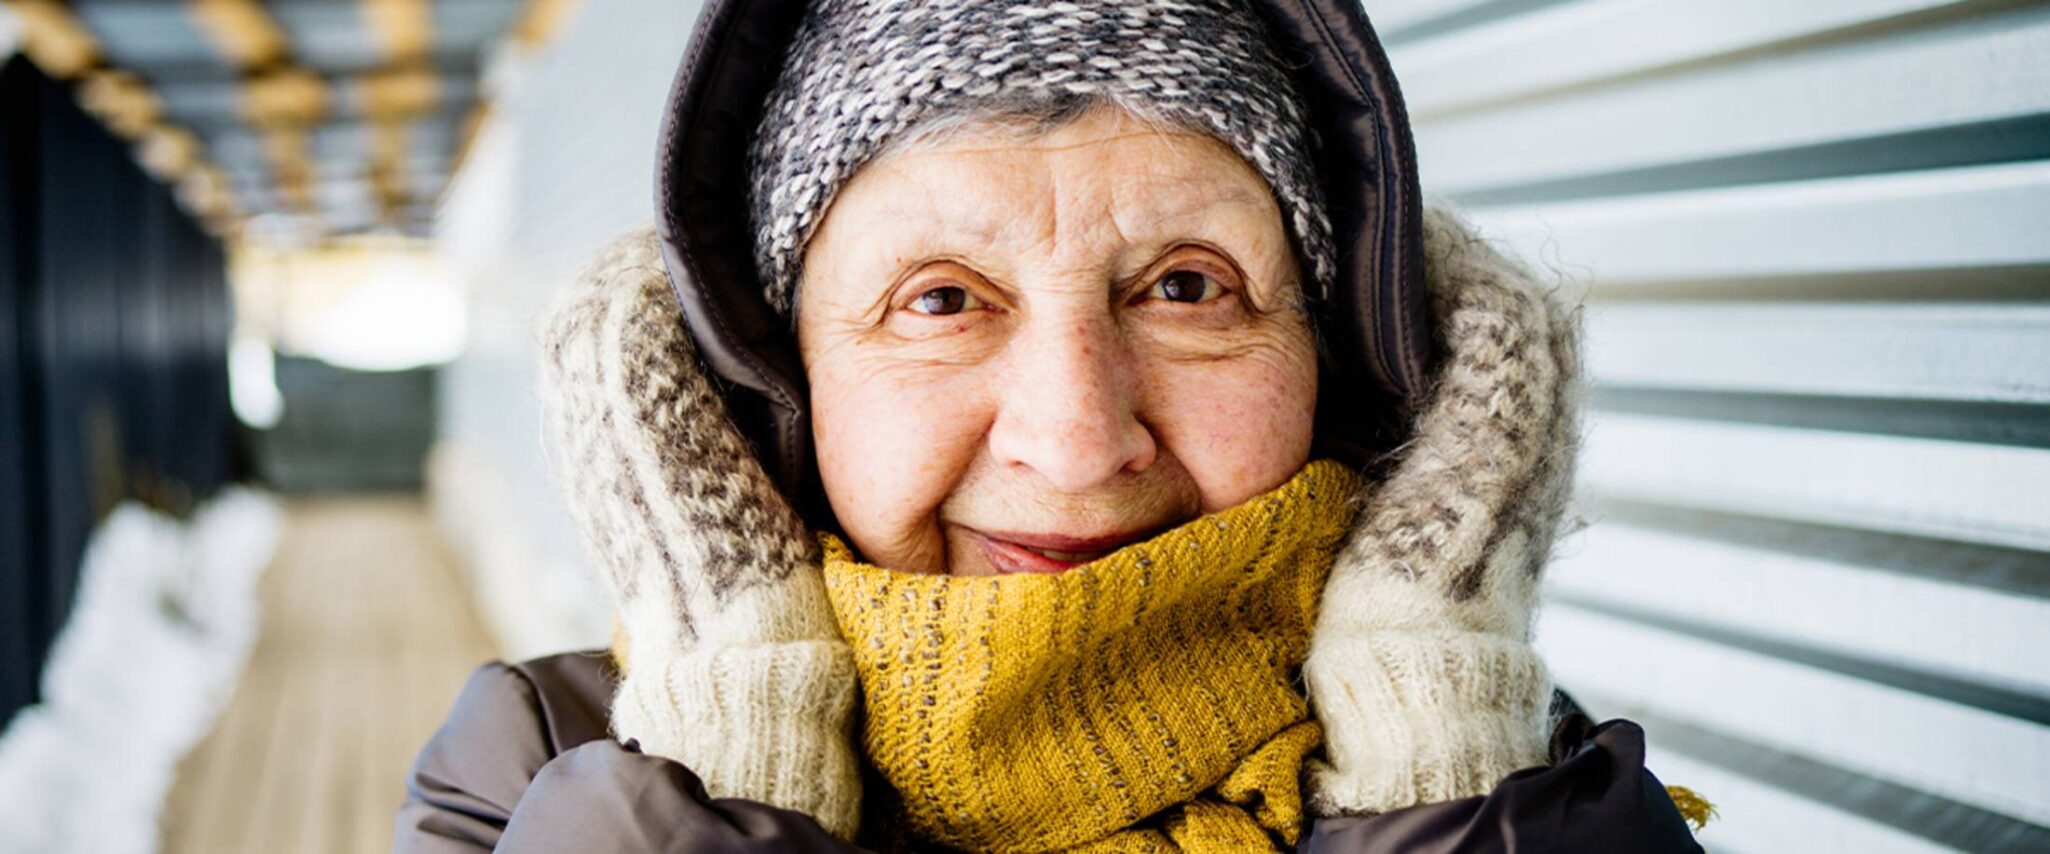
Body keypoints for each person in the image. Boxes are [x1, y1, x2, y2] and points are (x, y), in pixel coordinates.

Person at [396, 0, 1709, 850]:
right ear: (773, 378)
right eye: (942, 300)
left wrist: (1440, 762)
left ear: (1338, 349)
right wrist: (726, 776)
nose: (1075, 438)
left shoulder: (1510, 780)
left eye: (1187, 287)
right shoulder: (548, 768)